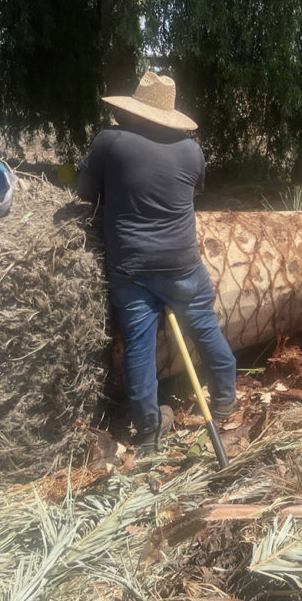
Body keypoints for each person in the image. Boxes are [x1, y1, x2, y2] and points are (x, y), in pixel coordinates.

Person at [77, 72, 237, 454]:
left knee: (137, 345)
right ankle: (226, 398)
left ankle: (148, 430)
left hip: (131, 268)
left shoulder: (110, 141)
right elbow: (189, 191)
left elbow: (83, 192)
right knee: (204, 326)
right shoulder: (192, 151)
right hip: (182, 266)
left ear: (132, 108)